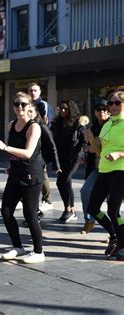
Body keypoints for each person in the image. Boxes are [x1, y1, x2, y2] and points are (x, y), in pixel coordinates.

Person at [0, 92, 45, 264]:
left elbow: (28, 153)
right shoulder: (11, 125)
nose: (20, 107)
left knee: (30, 214)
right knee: (6, 211)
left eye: (24, 104)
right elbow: (16, 153)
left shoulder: (34, 127)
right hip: (16, 174)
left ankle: (39, 252)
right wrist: (11, 165)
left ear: (29, 106)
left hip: (32, 174)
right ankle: (18, 247)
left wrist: (5, 148)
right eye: (17, 104)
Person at [86, 91, 124, 260]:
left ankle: (122, 244)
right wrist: (91, 142)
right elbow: (100, 152)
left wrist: (119, 154)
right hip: (104, 170)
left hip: (121, 170)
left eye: (117, 103)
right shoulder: (107, 124)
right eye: (111, 103)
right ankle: (114, 235)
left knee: (113, 210)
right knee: (93, 208)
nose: (113, 106)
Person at [21, 103, 61, 227]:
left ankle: (36, 212)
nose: (29, 114)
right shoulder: (25, 125)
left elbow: (52, 145)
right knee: (25, 190)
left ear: (36, 113)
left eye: (31, 112)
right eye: (27, 112)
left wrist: (56, 165)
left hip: (38, 161)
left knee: (33, 188)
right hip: (26, 161)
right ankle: (35, 212)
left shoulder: (41, 126)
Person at [51, 100, 85, 223]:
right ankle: (71, 210)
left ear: (71, 110)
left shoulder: (78, 124)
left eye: (65, 109)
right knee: (64, 182)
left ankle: (68, 209)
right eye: (61, 108)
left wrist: (83, 154)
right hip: (61, 157)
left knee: (63, 181)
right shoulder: (57, 123)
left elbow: (83, 140)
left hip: (74, 158)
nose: (63, 111)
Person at [80, 100, 109, 234]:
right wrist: (86, 151)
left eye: (104, 109)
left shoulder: (112, 125)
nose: (101, 112)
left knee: (113, 205)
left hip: (114, 168)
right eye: (98, 109)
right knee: (86, 191)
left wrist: (94, 144)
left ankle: (114, 233)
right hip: (97, 167)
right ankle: (90, 220)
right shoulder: (93, 127)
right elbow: (89, 145)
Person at [28, 83, 55, 212]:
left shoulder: (42, 105)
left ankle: (47, 200)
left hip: (40, 143)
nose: (33, 92)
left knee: (42, 171)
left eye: (35, 90)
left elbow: (46, 124)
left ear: (39, 92)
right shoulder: (27, 104)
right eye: (30, 90)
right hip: (29, 141)